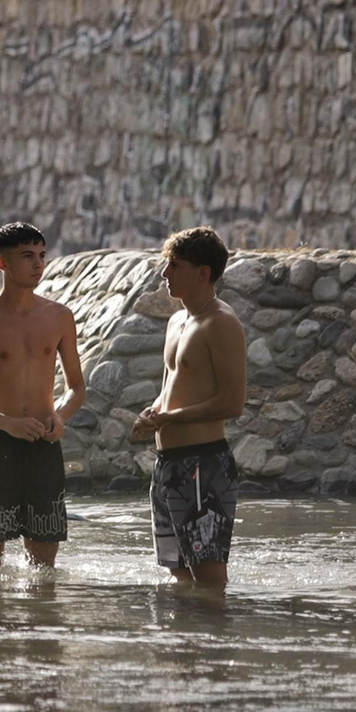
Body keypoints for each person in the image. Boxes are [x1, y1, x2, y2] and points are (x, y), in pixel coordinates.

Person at [0, 222, 85, 566]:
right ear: (2, 263)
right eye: (27, 257)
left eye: (41, 256)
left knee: (44, 571)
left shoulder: (59, 317)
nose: (38, 264)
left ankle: (38, 621)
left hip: (45, 446)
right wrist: (6, 423)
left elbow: (77, 388)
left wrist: (61, 416)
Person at [130, 227, 246, 589]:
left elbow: (233, 403)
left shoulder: (221, 323)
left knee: (208, 579)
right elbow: (170, 389)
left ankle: (214, 645)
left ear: (203, 273)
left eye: (174, 266)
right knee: (178, 575)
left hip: (203, 465)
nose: (165, 274)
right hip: (167, 466)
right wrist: (150, 416)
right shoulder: (176, 321)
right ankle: (184, 646)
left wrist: (169, 419)